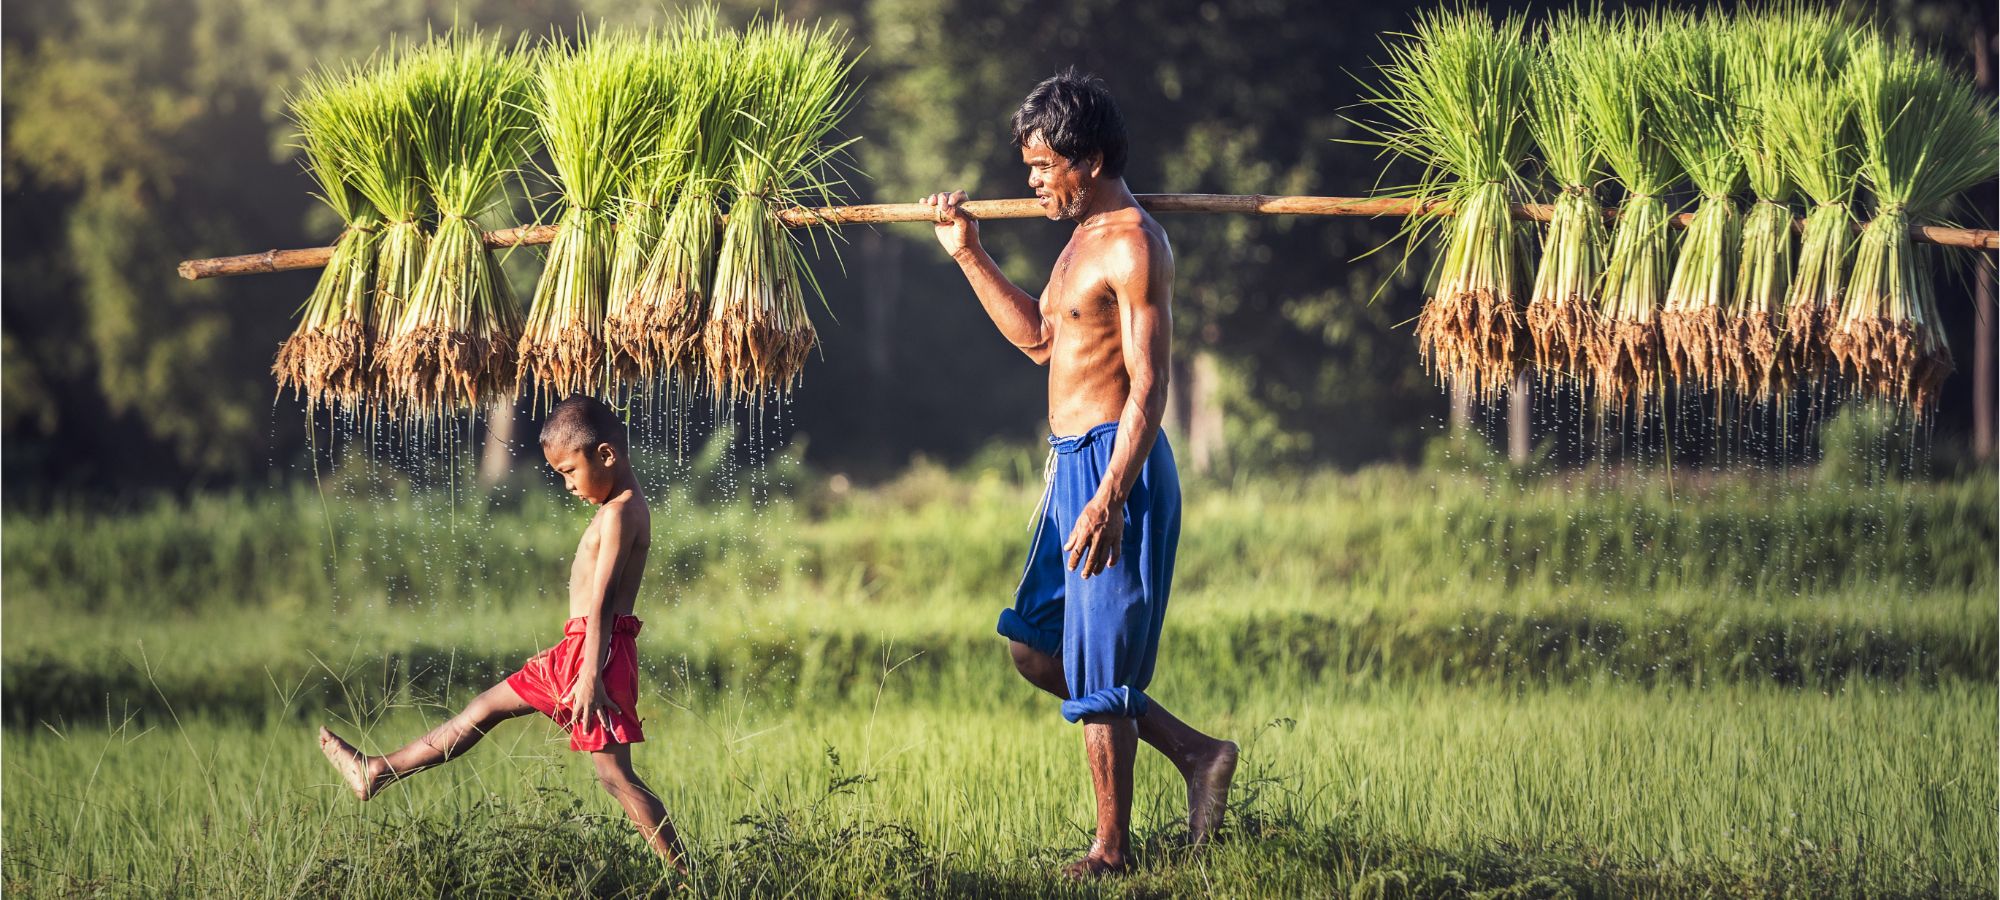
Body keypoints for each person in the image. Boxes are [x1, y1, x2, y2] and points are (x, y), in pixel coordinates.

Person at [919, 68, 1237, 879]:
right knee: (1033, 645)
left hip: (1113, 464)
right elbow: (1039, 341)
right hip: (1069, 466)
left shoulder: (1132, 242)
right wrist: (969, 255)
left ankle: (1111, 852)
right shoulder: (1078, 241)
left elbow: (1150, 384)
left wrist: (1111, 493)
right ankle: (1197, 754)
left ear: (1087, 159)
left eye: (1041, 166)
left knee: (1100, 665)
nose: (1030, 183)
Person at [315, 395, 688, 873]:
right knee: (494, 713)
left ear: (607, 455)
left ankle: (685, 877)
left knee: (614, 776)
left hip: (592, 654)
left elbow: (601, 604)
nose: (569, 485)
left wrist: (590, 677)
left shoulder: (619, 514)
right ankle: (376, 771)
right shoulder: (623, 505)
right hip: (586, 650)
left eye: (570, 471)